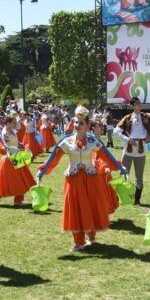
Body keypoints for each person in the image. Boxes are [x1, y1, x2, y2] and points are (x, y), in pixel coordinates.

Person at [37, 106, 125, 251]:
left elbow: (107, 157)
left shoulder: (93, 142)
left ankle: (91, 236)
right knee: (75, 208)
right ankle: (79, 241)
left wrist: (120, 167)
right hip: (73, 180)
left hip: (91, 179)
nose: (77, 126)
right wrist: (42, 171)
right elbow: (53, 160)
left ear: (87, 126)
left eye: (81, 123)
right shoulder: (66, 142)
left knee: (90, 206)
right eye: (76, 122)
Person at [0, 114, 36, 206]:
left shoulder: (11, 131)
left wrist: (20, 144)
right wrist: (6, 148)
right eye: (14, 123)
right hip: (10, 158)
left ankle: (18, 200)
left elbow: (14, 141)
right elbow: (3, 147)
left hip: (16, 156)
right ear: (8, 123)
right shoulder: (5, 133)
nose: (15, 124)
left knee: (22, 177)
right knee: (8, 180)